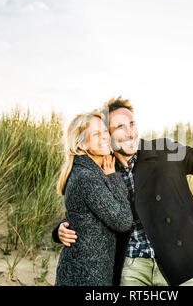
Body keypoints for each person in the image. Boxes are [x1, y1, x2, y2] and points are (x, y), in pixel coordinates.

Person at [53, 97, 193, 286]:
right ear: (108, 135)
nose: (130, 133)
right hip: (131, 267)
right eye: (120, 127)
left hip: (175, 263)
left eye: (132, 124)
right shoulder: (105, 168)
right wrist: (62, 229)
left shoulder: (164, 150)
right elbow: (91, 208)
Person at [54, 110, 133, 286]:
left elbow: (83, 216)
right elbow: (122, 221)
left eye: (105, 131)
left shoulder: (93, 170)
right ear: (81, 145)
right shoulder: (87, 177)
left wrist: (58, 229)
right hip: (85, 276)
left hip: (90, 272)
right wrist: (113, 178)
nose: (105, 137)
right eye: (96, 134)